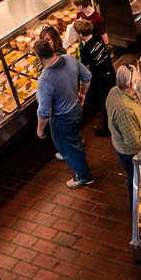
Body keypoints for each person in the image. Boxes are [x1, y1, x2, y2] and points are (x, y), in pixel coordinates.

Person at [34, 34, 93, 187]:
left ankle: (84, 176)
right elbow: (87, 76)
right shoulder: (69, 59)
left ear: (40, 59)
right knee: (74, 138)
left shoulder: (45, 80)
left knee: (69, 148)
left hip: (62, 119)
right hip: (76, 109)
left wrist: (40, 130)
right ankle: (72, 149)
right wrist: (82, 93)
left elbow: (44, 112)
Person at [106, 63, 141, 216]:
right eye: (137, 77)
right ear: (132, 84)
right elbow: (136, 142)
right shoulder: (125, 110)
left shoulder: (114, 91)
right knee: (135, 181)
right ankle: (137, 213)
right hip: (130, 153)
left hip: (122, 144)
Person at [73, 18, 115, 136]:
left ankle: (107, 129)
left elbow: (85, 69)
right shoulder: (97, 37)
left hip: (101, 77)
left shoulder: (85, 49)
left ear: (81, 34)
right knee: (110, 98)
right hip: (110, 71)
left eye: (77, 32)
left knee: (105, 102)